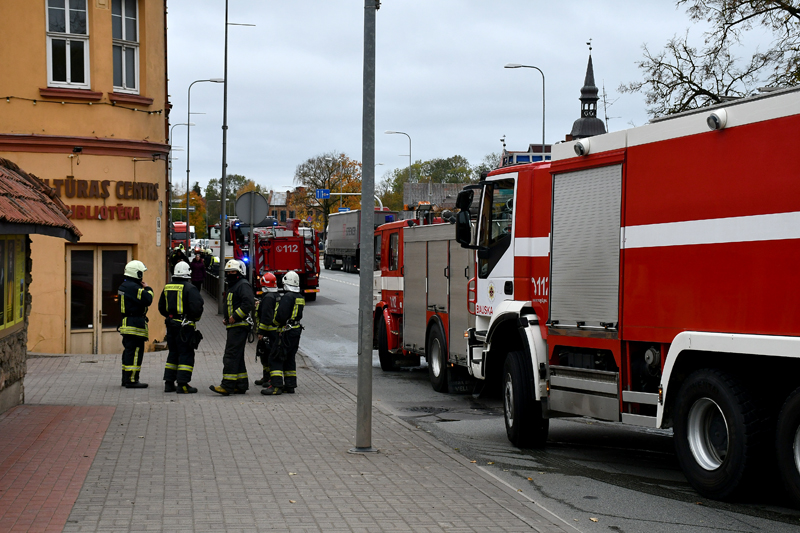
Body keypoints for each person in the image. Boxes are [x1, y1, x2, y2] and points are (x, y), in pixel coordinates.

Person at [210, 259, 254, 395]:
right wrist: (226, 318)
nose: (230, 274)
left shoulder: (242, 285)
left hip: (239, 326)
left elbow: (248, 303)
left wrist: (235, 316)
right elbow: (232, 304)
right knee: (237, 356)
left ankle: (227, 385)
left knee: (230, 356)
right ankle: (240, 384)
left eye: (232, 272)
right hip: (234, 326)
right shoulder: (235, 285)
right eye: (228, 272)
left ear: (239, 272)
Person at [159, 261, 204, 394]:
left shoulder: (167, 287)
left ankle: (169, 383)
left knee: (173, 353)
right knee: (186, 354)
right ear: (188, 273)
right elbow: (197, 308)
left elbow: (161, 307)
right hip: (185, 327)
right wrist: (193, 319)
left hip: (171, 324)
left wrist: (170, 316)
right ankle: (183, 384)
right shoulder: (190, 288)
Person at [262, 270, 304, 396]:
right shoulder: (300, 297)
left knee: (276, 357)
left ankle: (276, 386)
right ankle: (290, 385)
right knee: (290, 358)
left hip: (285, 332)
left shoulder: (287, 297)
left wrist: (274, 323)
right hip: (295, 331)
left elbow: (280, 316)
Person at [118, 260, 154, 388]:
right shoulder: (134, 288)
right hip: (135, 324)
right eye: (141, 273)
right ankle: (132, 380)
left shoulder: (123, 286)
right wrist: (148, 288)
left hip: (127, 322)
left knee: (128, 352)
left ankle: (126, 378)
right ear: (137, 274)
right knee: (136, 352)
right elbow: (148, 299)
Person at [255, 272, 280, 387]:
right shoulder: (276, 296)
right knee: (267, 355)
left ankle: (269, 378)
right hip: (274, 332)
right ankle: (266, 377)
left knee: (266, 355)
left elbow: (266, 317)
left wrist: (261, 332)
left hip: (269, 332)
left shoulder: (268, 298)